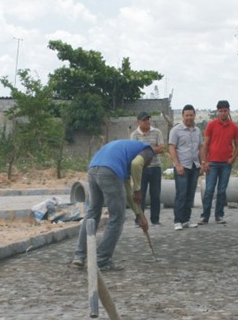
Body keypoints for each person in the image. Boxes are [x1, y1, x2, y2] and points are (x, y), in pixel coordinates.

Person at [72, 139, 155, 272]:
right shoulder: (148, 150)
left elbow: (128, 193)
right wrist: (138, 189)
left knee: (92, 213)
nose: (146, 167)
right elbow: (137, 164)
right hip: (110, 171)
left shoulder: (124, 154)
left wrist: (139, 214)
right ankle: (102, 260)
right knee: (117, 218)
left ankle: (79, 256)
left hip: (93, 170)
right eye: (148, 165)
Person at [199, 100, 238, 225]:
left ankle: (219, 215)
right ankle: (204, 216)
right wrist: (204, 161)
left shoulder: (234, 127)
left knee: (222, 191)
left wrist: (233, 158)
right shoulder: (211, 125)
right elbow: (205, 145)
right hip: (212, 162)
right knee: (209, 190)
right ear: (218, 111)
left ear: (229, 111)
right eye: (221, 111)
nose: (223, 113)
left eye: (225, 111)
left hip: (226, 164)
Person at [168, 104, 203, 231]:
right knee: (181, 194)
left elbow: (200, 147)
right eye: (186, 115)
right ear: (182, 116)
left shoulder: (197, 130)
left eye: (191, 115)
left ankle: (186, 220)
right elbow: (171, 148)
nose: (189, 117)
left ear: (194, 116)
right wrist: (177, 165)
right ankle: (178, 220)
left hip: (194, 166)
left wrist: (202, 163)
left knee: (190, 194)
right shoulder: (176, 130)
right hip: (182, 166)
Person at [130, 112, 165, 226]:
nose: (147, 122)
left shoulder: (157, 132)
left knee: (155, 194)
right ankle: (139, 218)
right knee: (141, 194)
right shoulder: (134, 134)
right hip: (141, 169)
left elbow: (161, 148)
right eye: (144, 120)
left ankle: (155, 219)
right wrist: (151, 150)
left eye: (148, 119)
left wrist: (146, 151)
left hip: (155, 167)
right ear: (138, 122)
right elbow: (133, 151)